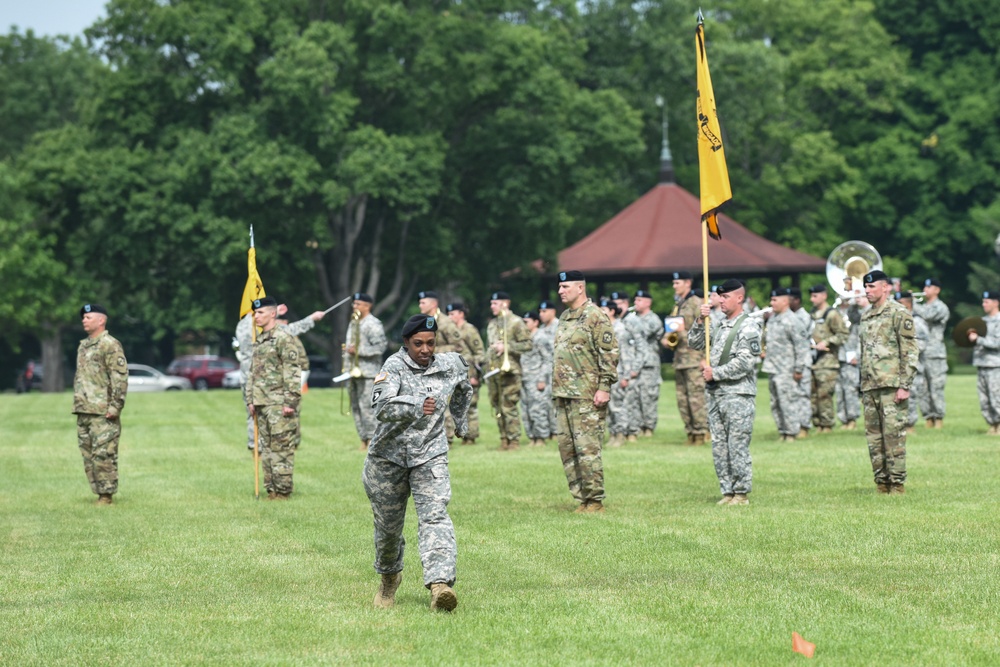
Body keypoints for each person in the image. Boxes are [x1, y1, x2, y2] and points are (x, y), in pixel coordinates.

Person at [363, 314, 472, 612]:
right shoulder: (393, 367)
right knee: (388, 530)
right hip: (389, 458)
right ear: (406, 343)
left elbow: (465, 383)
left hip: (430, 453)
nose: (425, 350)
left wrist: (460, 422)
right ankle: (389, 578)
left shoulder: (449, 364)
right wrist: (414, 404)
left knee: (435, 516)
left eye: (430, 343)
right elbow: (381, 406)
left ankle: (440, 585)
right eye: (418, 344)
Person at [689, 280, 762, 506]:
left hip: (738, 394)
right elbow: (694, 342)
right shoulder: (719, 324)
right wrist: (700, 320)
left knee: (736, 444)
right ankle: (727, 490)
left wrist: (716, 373)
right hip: (716, 395)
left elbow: (746, 362)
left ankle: (741, 493)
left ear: (739, 298)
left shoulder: (748, 325)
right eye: (718, 296)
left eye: (725, 296)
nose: (720, 300)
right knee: (719, 445)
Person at [552, 271, 618, 512]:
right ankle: (582, 498)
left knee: (587, 449)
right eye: (559, 287)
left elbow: (609, 353)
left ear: (580, 288)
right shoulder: (565, 317)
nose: (560, 291)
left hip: (586, 395)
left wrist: (604, 387)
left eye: (565, 286)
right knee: (568, 450)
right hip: (563, 393)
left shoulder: (596, 316)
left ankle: (595, 499)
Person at [859, 271, 919, 495]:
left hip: (892, 384)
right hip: (870, 385)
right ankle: (881, 482)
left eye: (872, 286)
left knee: (894, 436)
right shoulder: (866, 316)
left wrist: (905, 385)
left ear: (886, 288)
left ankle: (897, 483)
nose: (867, 290)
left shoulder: (898, 313)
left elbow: (910, 351)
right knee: (874, 438)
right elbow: (864, 353)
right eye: (866, 287)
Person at [235, 303, 325, 451]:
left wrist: (273, 313)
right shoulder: (258, 328)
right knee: (271, 416)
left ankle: (254, 445)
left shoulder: (242, 325)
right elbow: (288, 330)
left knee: (252, 415)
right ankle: (269, 447)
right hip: (264, 379)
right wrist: (312, 318)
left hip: (247, 377)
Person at [245, 296, 304, 500]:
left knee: (282, 448)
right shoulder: (260, 339)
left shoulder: (283, 337)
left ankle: (283, 491)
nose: (256, 317)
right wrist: (250, 399)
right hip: (261, 402)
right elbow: (253, 372)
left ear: (272, 313)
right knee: (267, 448)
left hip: (279, 402)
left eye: (260, 313)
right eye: (255, 313)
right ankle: (271, 489)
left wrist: (291, 401)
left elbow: (292, 370)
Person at [73, 303, 128, 506]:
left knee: (103, 454)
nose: (84, 320)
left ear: (101, 320)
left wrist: (116, 406)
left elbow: (120, 377)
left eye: (88, 317)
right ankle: (98, 492)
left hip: (103, 411)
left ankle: (106, 495)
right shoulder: (83, 345)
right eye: (83, 317)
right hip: (84, 409)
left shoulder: (110, 344)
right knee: (88, 455)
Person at [663, 271, 708, 444]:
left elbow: (706, 332)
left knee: (696, 398)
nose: (674, 286)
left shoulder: (697, 303)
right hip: (680, 359)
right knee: (683, 399)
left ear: (687, 283)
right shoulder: (678, 305)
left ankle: (701, 432)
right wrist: (667, 338)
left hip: (695, 358)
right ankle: (690, 431)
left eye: (677, 283)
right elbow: (672, 328)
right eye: (674, 283)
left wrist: (705, 358)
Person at [485, 291, 532, 450]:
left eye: (495, 303)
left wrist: (507, 347)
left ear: (505, 303)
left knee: (509, 406)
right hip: (494, 371)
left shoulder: (516, 322)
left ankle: (514, 441)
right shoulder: (492, 324)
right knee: (497, 405)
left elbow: (527, 344)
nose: (492, 306)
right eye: (491, 303)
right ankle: (503, 439)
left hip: (511, 371)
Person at [761, 288, 808, 442]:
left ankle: (792, 432)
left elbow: (801, 347)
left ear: (785, 301)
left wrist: (799, 368)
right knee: (776, 402)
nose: (771, 303)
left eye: (775, 300)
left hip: (787, 369)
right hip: (773, 367)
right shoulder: (773, 319)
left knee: (788, 400)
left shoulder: (793, 320)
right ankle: (782, 430)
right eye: (771, 300)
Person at [343, 293, 388, 450]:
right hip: (353, 371)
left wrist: (358, 350)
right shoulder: (354, 322)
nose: (354, 307)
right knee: (355, 406)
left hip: (368, 373)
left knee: (367, 407)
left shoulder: (373, 324)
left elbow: (380, 347)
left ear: (367, 306)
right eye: (354, 304)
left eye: (358, 304)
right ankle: (363, 438)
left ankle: (372, 439)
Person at [418, 290, 464, 442]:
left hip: (443, 368)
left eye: (423, 302)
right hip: (426, 369)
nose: (420, 305)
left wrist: (435, 351)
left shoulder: (445, 322)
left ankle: (448, 437)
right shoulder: (422, 322)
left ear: (434, 304)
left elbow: (458, 345)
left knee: (444, 402)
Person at [808, 285, 850, 433]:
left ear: (824, 296)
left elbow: (843, 334)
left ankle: (827, 425)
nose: (812, 299)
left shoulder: (832, 314)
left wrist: (826, 342)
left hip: (828, 361)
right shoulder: (812, 313)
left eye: (815, 296)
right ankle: (817, 423)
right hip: (813, 361)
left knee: (824, 395)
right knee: (813, 395)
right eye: (811, 296)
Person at [447, 303, 486, 444]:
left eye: (452, 314)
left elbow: (479, 353)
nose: (450, 317)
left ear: (461, 314)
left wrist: (475, 375)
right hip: (454, 374)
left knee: (470, 406)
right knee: (457, 406)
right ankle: (461, 434)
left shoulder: (469, 330)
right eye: (448, 314)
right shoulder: (449, 331)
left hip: (469, 373)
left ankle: (471, 436)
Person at [913, 278, 949, 428]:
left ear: (937, 290)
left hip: (935, 353)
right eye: (925, 287)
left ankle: (939, 418)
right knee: (922, 387)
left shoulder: (940, 307)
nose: (925, 289)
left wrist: (912, 302)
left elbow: (927, 315)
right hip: (922, 352)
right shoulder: (922, 307)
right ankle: (928, 417)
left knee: (936, 387)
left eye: (929, 287)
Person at [603, 298, 639, 446]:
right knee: (609, 407)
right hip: (607, 374)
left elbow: (626, 355)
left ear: (611, 311)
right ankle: (612, 433)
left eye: (603, 310)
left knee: (619, 406)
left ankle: (620, 434)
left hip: (618, 373)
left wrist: (626, 376)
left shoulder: (620, 330)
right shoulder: (605, 329)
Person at [896, 292, 929, 433]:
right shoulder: (894, 320)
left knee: (911, 395)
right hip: (894, 366)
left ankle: (910, 425)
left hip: (911, 366)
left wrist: (906, 350)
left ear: (907, 304)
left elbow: (924, 343)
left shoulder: (917, 321)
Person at [632, 289, 663, 437]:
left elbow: (642, 334)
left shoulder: (653, 319)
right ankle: (637, 426)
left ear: (648, 303)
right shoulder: (633, 317)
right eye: (635, 300)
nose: (635, 303)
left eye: (639, 300)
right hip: (635, 362)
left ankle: (649, 426)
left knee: (648, 396)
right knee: (635, 396)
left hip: (649, 364)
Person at [520, 311, 554, 446]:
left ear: (535, 322)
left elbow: (548, 359)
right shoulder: (524, 338)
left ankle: (541, 437)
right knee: (526, 410)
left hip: (536, 378)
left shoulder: (541, 337)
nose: (524, 325)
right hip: (525, 378)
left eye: (526, 322)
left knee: (538, 409)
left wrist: (542, 379)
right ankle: (532, 436)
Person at [968, 291, 1000, 434]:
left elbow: (997, 343)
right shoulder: (982, 322)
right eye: (983, 301)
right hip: (981, 364)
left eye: (986, 301)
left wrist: (978, 339)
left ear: (996, 302)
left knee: (996, 396)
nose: (983, 304)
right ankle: (992, 424)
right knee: (984, 398)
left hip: (995, 365)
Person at [835, 297, 866, 430]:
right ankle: (843, 419)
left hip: (852, 355)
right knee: (839, 390)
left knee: (850, 389)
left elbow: (862, 335)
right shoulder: (836, 312)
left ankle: (852, 419)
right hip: (838, 355)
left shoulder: (855, 314)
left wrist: (858, 355)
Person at [789, 287, 813, 438]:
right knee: (793, 395)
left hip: (803, 361)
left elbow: (801, 342)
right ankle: (794, 425)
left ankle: (804, 425)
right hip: (792, 361)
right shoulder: (790, 316)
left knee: (803, 394)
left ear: (796, 300)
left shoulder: (802, 317)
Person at [538, 300, 560, 438]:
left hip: (557, 370)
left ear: (553, 312)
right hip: (544, 371)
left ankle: (557, 431)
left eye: (544, 311)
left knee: (556, 403)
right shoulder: (541, 329)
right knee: (545, 403)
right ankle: (550, 431)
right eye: (540, 312)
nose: (541, 314)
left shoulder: (559, 327)